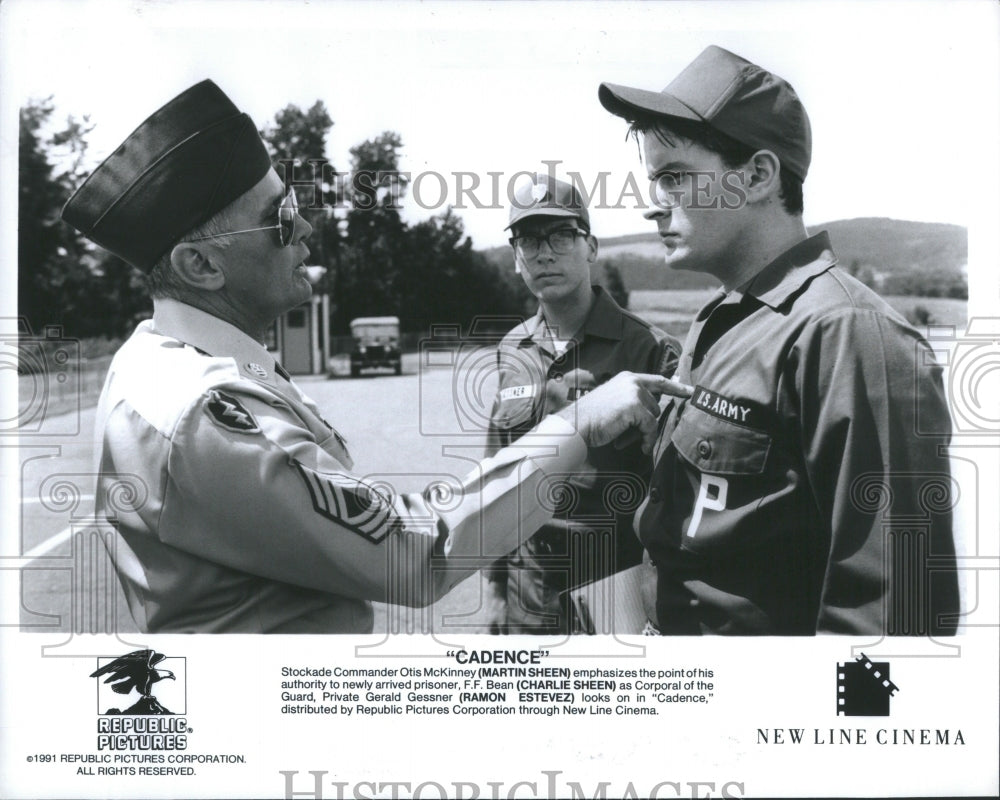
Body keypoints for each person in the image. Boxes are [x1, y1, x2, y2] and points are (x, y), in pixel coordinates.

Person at [61, 79, 690, 633]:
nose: (306, 228)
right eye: (281, 218)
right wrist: (576, 426)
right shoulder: (206, 408)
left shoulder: (158, 365)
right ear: (200, 265)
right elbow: (413, 555)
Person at [598, 45, 960, 635]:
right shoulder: (722, 316)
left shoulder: (849, 337)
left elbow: (895, 621)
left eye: (674, 177)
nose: (651, 205)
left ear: (760, 176)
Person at [482, 174, 680, 634]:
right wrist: (495, 592)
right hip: (527, 602)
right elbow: (496, 478)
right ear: (515, 256)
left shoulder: (651, 351)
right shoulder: (512, 350)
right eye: (529, 240)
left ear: (591, 247)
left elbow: (675, 502)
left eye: (561, 236)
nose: (544, 253)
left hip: (616, 596)